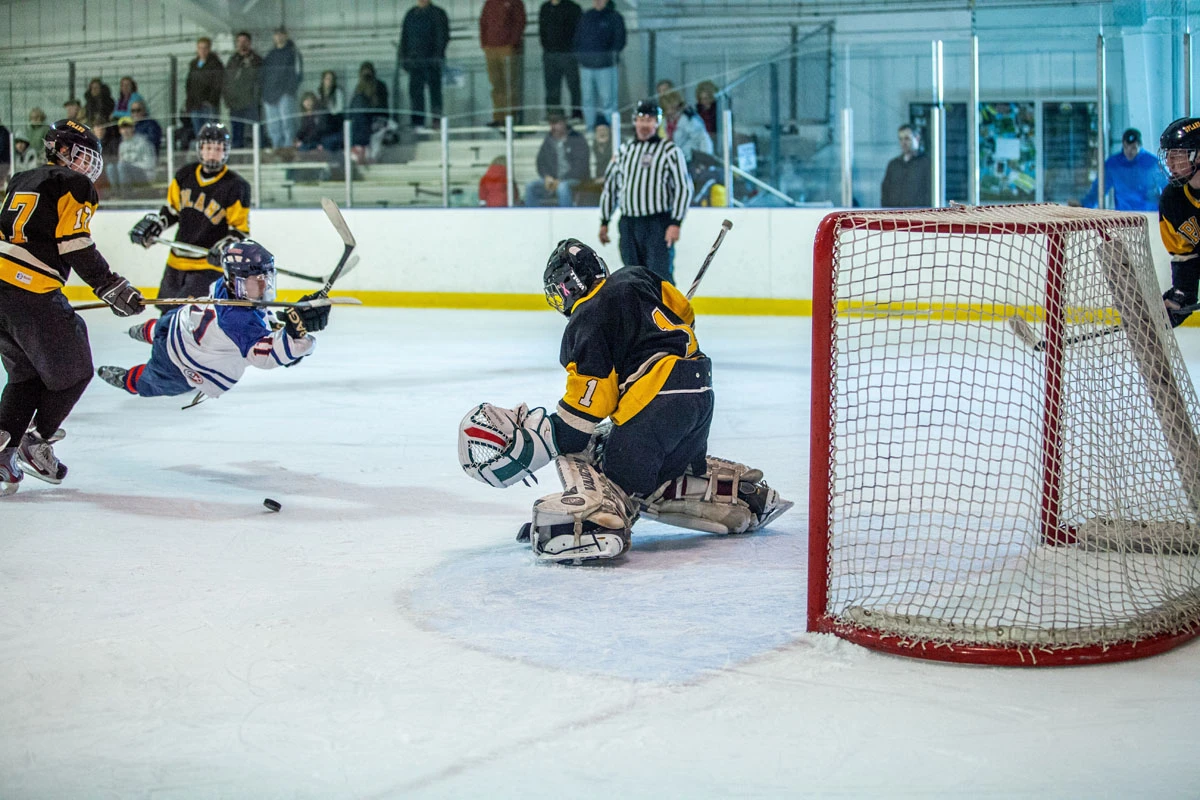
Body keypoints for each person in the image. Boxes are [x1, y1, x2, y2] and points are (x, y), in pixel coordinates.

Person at [457, 239, 791, 563]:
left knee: (591, 454)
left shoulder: (586, 320)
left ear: (565, 288)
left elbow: (584, 415)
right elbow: (684, 313)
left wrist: (542, 439)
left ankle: (593, 521)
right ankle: (735, 496)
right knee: (656, 475)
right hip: (700, 393)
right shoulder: (638, 276)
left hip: (657, 403)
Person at [0, 119, 144, 496]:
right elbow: (74, 243)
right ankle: (36, 441)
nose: (88, 165)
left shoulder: (21, 178)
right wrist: (109, 285)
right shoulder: (76, 184)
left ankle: (1, 453)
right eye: (80, 154)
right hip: (30, 291)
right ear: (59, 150)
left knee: (25, 376)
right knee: (76, 371)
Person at [97, 240, 329, 402]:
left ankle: (140, 347)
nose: (264, 286)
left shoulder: (226, 285)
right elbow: (266, 356)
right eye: (256, 280)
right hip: (182, 362)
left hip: (181, 323)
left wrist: (290, 327)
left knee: (161, 330)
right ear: (235, 280)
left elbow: (256, 320)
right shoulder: (238, 321)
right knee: (152, 381)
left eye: (267, 278)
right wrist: (298, 336)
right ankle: (131, 378)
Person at [128, 122, 251, 305]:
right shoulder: (184, 175)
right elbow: (171, 211)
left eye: (218, 149)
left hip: (208, 266)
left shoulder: (236, 186)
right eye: (208, 147)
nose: (212, 153)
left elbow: (240, 231)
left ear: (226, 151)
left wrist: (225, 247)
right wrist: (156, 225)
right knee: (167, 314)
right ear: (199, 149)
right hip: (176, 261)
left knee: (187, 317)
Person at [598, 99, 692, 283]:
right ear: (635, 121)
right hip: (629, 224)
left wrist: (675, 222)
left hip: (657, 223)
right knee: (632, 277)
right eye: (641, 119)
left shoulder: (670, 151)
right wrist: (604, 220)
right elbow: (611, 187)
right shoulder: (623, 151)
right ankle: (638, 312)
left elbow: (683, 187)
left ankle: (668, 311)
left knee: (660, 276)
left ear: (657, 123)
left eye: (649, 120)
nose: (644, 124)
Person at [1155, 118, 1200, 329]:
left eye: (1177, 156)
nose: (1170, 164)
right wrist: (1183, 294)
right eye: (1168, 156)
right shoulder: (1173, 200)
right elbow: (1185, 254)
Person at [1080, 128, 1165, 211]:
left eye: (1133, 148)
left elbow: (1167, 187)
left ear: (1140, 145)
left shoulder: (1152, 164)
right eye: (1126, 147)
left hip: (1150, 216)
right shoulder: (1114, 164)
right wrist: (1083, 205)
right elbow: (1098, 189)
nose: (1129, 151)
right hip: (1124, 218)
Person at [573, 0, 625, 132]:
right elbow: (577, 38)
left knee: (608, 99)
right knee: (588, 99)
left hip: (606, 67)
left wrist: (610, 57)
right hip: (586, 66)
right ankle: (590, 128)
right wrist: (580, 57)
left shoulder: (614, 17)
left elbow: (620, 40)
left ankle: (611, 129)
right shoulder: (586, 16)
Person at [399, 0, 450, 133]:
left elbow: (442, 36)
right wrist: (403, 59)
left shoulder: (438, 13)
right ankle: (418, 122)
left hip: (431, 61)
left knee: (435, 92)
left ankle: (436, 120)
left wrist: (437, 57)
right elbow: (404, 37)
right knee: (415, 93)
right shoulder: (410, 14)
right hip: (415, 62)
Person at [525, 112, 589, 206]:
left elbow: (580, 167)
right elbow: (540, 162)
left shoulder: (577, 139)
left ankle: (565, 217)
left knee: (562, 188)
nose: (553, 127)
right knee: (530, 187)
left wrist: (561, 180)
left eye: (556, 123)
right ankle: (532, 218)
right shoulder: (548, 140)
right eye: (551, 123)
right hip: (552, 179)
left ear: (564, 123)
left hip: (574, 179)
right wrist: (546, 176)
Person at [480, 0, 527, 127]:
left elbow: (520, 22)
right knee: (496, 84)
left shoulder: (515, 2)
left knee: (510, 84)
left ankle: (511, 117)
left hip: (508, 48)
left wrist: (512, 43)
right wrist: (484, 43)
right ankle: (499, 117)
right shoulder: (489, 2)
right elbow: (483, 22)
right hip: (491, 48)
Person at [539, 0, 582, 120]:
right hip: (550, 54)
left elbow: (578, 31)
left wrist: (572, 48)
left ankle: (577, 113)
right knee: (552, 87)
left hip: (569, 53)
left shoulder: (573, 8)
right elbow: (542, 30)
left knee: (573, 85)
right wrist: (546, 47)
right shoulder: (545, 8)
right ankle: (553, 114)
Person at [261, 26, 304, 149]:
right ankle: (277, 150)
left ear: (286, 36)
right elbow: (264, 75)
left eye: (281, 34)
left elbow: (298, 74)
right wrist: (264, 93)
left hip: (285, 94)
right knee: (273, 126)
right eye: (276, 34)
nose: (279, 37)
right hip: (269, 95)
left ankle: (288, 150)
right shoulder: (270, 55)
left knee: (288, 124)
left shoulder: (293, 53)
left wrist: (289, 91)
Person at [224, 32, 263, 149]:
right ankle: (238, 156)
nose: (242, 44)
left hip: (251, 102)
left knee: (256, 130)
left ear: (249, 43)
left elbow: (260, 79)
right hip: (235, 102)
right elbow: (226, 80)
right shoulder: (232, 60)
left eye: (245, 41)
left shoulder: (256, 60)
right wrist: (227, 99)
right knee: (236, 131)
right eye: (240, 42)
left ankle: (260, 153)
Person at [880, 123, 931, 208]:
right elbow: (885, 191)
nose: (903, 143)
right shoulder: (893, 165)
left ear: (917, 138)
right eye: (901, 139)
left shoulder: (927, 164)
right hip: (895, 216)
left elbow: (929, 193)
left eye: (907, 139)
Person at [347, 62, 389, 163]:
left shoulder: (380, 86)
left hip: (377, 119)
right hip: (363, 120)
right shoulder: (359, 89)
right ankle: (359, 147)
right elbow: (352, 110)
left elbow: (382, 109)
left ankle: (360, 147)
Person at [185, 37, 224, 139]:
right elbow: (189, 84)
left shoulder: (216, 64)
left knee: (211, 132)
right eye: (200, 48)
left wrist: (211, 100)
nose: (202, 50)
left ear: (209, 49)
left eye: (205, 48)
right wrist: (189, 101)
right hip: (195, 104)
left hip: (208, 105)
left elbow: (218, 84)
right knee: (199, 133)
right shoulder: (193, 64)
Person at [660, 90, 712, 164]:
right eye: (667, 109)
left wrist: (704, 162)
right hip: (673, 160)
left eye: (672, 109)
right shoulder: (664, 121)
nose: (669, 112)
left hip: (691, 160)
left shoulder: (690, 121)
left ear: (679, 107)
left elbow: (703, 140)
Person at [108, 117, 156, 187]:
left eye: (128, 127)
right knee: (110, 168)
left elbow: (150, 164)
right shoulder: (122, 145)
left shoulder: (143, 142)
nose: (125, 131)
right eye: (122, 128)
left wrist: (131, 166)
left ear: (133, 128)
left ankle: (125, 194)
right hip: (127, 173)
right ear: (120, 131)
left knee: (122, 166)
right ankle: (116, 193)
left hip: (145, 175)